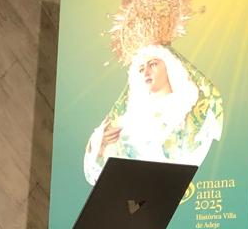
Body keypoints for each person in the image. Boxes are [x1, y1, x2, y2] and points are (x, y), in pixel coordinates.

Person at [82, 43, 224, 183]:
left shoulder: (191, 110)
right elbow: (102, 176)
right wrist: (100, 147)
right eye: (141, 69)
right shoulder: (130, 121)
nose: (146, 72)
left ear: (170, 65)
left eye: (153, 64)